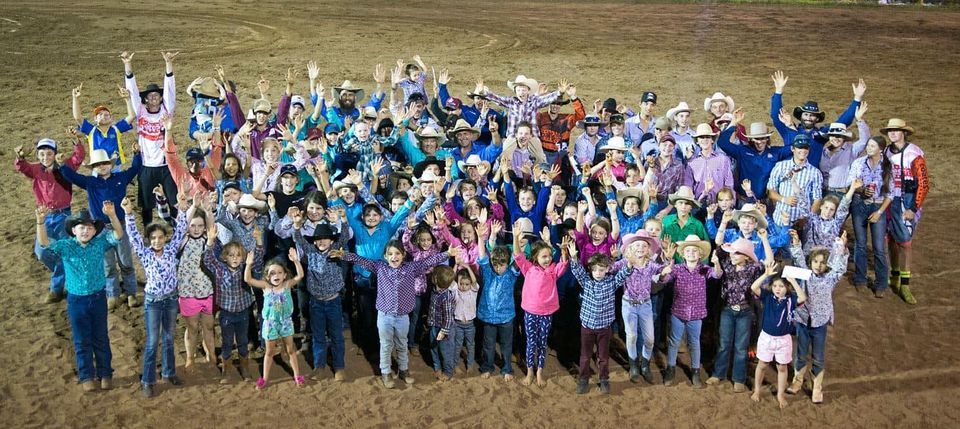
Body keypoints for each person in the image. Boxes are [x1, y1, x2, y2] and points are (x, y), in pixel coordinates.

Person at [334, 244, 457, 389]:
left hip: (402, 316)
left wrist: (447, 254)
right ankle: (385, 372)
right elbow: (362, 261)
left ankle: (403, 370)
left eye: (397, 253)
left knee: (402, 344)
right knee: (386, 345)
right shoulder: (380, 267)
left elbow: (428, 262)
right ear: (385, 256)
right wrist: (344, 255)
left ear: (403, 255)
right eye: (390, 254)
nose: (394, 257)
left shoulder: (411, 268)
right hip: (385, 316)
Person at [37, 202, 123, 392]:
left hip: (98, 297)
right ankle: (86, 376)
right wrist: (41, 222)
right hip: (76, 301)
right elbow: (44, 243)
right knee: (81, 340)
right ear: (74, 230)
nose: (85, 231)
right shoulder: (66, 246)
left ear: (94, 231)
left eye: (89, 228)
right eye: (81, 227)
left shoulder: (100, 243)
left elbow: (118, 235)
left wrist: (113, 216)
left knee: (101, 337)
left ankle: (105, 373)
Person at [120, 197, 190, 398]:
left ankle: (169, 373)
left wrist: (183, 209)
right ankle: (148, 381)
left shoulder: (171, 249)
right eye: (154, 238)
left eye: (160, 237)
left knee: (168, 338)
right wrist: (128, 214)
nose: (157, 241)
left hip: (170, 300)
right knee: (152, 341)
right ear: (149, 240)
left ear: (165, 238)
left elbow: (181, 229)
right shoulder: (144, 253)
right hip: (153, 302)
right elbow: (133, 235)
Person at [59, 148, 142, 309]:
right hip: (100, 229)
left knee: (125, 261)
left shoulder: (120, 177)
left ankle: (130, 293)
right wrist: (62, 165)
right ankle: (113, 293)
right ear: (94, 167)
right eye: (98, 164)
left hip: (120, 226)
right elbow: (71, 176)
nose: (102, 166)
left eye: (104, 163)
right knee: (108, 264)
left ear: (110, 165)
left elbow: (135, 169)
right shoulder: (90, 182)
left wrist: (137, 155)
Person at [15, 134, 85, 303]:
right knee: (41, 252)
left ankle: (57, 288)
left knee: (65, 251)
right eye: (42, 154)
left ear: (54, 154)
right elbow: (22, 167)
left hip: (63, 215)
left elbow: (78, 158)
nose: (45, 157)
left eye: (49, 153)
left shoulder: (64, 166)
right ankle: (66, 277)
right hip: (44, 216)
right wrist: (20, 156)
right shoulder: (35, 169)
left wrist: (77, 142)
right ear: (38, 156)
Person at [788, 229, 849, 404]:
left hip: (819, 323)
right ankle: (797, 381)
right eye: (815, 261)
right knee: (800, 354)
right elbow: (799, 258)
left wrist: (840, 247)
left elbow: (839, 266)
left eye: (822, 262)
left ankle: (817, 387)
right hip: (802, 319)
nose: (818, 265)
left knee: (818, 356)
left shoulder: (830, 277)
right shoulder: (804, 274)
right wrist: (796, 242)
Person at [121, 50, 181, 223]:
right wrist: (128, 67)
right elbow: (132, 91)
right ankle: (147, 232)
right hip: (146, 166)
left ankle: (178, 231)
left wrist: (169, 65)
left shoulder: (167, 110)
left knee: (173, 201)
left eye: (157, 95)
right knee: (146, 205)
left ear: (161, 99)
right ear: (145, 100)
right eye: (150, 96)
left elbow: (170, 90)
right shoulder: (140, 113)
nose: (154, 97)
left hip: (166, 165)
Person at [707, 234, 770, 393]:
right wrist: (718, 260)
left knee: (741, 347)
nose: (732, 255)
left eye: (737, 253)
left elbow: (769, 262)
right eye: (732, 252)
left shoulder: (754, 268)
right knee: (724, 343)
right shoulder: (727, 264)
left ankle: (739, 378)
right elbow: (719, 267)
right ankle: (718, 374)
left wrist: (764, 239)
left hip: (745, 311)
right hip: (727, 309)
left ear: (746, 257)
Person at [567, 245, 631, 395]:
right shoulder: (587, 282)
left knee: (603, 356)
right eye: (595, 269)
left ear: (607, 269)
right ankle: (583, 380)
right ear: (591, 269)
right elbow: (577, 271)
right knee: (585, 355)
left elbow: (622, 275)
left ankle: (604, 379)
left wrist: (629, 264)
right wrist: (574, 257)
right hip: (587, 326)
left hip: (604, 327)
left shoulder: (611, 282)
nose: (598, 273)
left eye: (601, 270)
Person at [769, 70, 865, 169]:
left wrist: (857, 98)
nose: (809, 118)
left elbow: (842, 122)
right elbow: (776, 116)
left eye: (812, 115)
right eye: (806, 114)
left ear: (817, 118)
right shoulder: (788, 129)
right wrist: (778, 91)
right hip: (790, 176)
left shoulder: (821, 135)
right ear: (800, 116)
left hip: (812, 178)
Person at [204, 224, 262, 384]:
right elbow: (207, 259)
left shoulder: (246, 268)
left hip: (243, 312)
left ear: (242, 257)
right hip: (227, 313)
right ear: (224, 257)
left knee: (243, 341)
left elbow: (257, 261)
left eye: (238, 255)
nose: (235, 258)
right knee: (227, 342)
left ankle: (245, 368)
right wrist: (210, 241)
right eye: (231, 255)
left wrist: (258, 242)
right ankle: (226, 370)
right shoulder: (219, 269)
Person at [513, 223, 569, 388]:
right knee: (530, 342)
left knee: (542, 342)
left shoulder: (553, 270)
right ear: (535, 257)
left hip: (546, 313)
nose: (548, 259)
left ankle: (539, 372)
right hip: (530, 312)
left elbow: (563, 264)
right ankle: (530, 371)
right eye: (544, 257)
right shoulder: (528, 269)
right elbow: (517, 255)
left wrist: (564, 250)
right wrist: (516, 238)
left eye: (549, 256)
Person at [293, 221, 349, 381]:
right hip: (316, 303)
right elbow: (298, 238)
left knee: (336, 336)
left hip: (333, 302)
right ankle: (319, 366)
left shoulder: (335, 252)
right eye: (318, 239)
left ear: (332, 241)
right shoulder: (310, 252)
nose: (321, 241)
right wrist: (297, 225)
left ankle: (339, 367)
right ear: (314, 241)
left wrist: (343, 220)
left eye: (325, 238)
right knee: (318, 336)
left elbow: (344, 237)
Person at [660, 235, 719, 388]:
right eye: (688, 250)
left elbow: (717, 274)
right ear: (683, 254)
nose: (691, 253)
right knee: (674, 341)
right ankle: (671, 369)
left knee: (694, 342)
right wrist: (667, 264)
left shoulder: (705, 269)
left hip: (696, 313)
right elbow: (664, 279)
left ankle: (695, 371)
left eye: (695, 251)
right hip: (679, 311)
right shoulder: (677, 269)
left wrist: (717, 263)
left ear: (700, 254)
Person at [882, 118, 929, 305]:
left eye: (896, 130)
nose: (892, 133)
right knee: (891, 239)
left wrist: (913, 208)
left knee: (905, 242)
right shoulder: (886, 151)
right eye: (890, 130)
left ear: (904, 133)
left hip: (906, 201)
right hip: (890, 199)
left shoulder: (914, 154)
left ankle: (905, 284)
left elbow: (924, 184)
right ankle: (894, 276)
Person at [245, 247, 305, 390]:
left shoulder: (287, 285)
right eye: (272, 273)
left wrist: (296, 261)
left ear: (285, 275)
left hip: (285, 322)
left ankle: (297, 376)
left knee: (290, 350)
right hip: (270, 324)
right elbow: (248, 279)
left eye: (279, 272)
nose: (276, 275)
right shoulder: (266, 287)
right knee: (269, 352)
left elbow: (300, 275)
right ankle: (264, 378)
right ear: (267, 276)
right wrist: (248, 265)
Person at [749, 261, 806, 409]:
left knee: (782, 367)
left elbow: (803, 298)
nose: (777, 289)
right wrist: (765, 275)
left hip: (783, 340)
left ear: (787, 287)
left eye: (781, 286)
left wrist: (792, 280)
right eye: (775, 286)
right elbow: (754, 287)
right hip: (766, 337)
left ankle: (780, 394)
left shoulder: (790, 300)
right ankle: (757, 390)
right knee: (762, 364)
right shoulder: (767, 296)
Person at [175, 198, 217, 371]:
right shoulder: (182, 241)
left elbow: (211, 228)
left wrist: (207, 211)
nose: (197, 229)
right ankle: (190, 358)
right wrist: (193, 206)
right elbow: (183, 224)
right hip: (188, 292)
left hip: (207, 291)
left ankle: (211, 355)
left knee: (208, 326)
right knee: (192, 327)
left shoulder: (207, 239)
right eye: (193, 226)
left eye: (200, 226)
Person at [847, 135, 893, 297]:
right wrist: (861, 190)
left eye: (873, 146)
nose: (869, 148)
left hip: (878, 206)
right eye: (868, 145)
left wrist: (879, 211)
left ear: (880, 149)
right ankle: (860, 279)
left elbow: (891, 194)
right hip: (859, 204)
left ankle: (881, 283)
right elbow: (850, 183)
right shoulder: (859, 163)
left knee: (879, 248)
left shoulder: (888, 166)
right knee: (860, 244)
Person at [476, 223, 520, 381]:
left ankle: (507, 368)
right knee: (488, 345)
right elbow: (482, 255)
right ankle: (487, 366)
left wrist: (515, 237)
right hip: (488, 316)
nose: (498, 268)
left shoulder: (511, 273)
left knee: (506, 345)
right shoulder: (488, 271)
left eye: (502, 265)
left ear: (507, 263)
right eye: (496, 265)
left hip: (506, 317)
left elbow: (518, 258)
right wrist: (481, 238)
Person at [718, 110, 794, 201]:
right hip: (744, 200)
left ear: (767, 138)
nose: (759, 142)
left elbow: (796, 145)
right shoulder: (742, 151)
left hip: (766, 201)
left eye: (762, 138)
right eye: (756, 139)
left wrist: (790, 125)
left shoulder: (776, 152)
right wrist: (733, 122)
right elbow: (722, 143)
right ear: (751, 139)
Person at [480, 75, 569, 138]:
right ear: (515, 91)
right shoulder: (511, 101)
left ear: (528, 91)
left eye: (523, 89)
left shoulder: (534, 101)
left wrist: (559, 92)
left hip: (531, 136)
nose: (521, 92)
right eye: (518, 90)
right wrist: (484, 93)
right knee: (505, 156)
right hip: (513, 136)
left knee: (540, 158)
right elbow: (497, 98)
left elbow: (547, 99)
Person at [767, 134, 823, 227]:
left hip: (802, 221)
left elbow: (817, 199)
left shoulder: (815, 172)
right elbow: (770, 191)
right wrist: (784, 199)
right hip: (780, 219)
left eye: (806, 148)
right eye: (799, 147)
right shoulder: (780, 166)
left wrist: (807, 217)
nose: (803, 151)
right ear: (793, 149)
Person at [72, 83, 134, 167]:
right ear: (95, 119)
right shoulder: (91, 131)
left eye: (106, 115)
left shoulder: (116, 129)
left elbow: (132, 116)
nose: (103, 117)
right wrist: (75, 98)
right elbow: (78, 117)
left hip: (115, 167)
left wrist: (128, 99)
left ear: (111, 118)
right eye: (100, 115)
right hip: (97, 166)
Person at [819, 103, 870, 199]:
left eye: (839, 136)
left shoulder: (851, 149)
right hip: (824, 193)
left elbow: (865, 140)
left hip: (841, 194)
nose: (836, 138)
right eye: (833, 135)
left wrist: (859, 119)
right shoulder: (824, 152)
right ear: (829, 137)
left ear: (844, 138)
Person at [536, 85, 584, 164]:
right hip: (542, 153)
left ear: (561, 105)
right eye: (553, 103)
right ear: (549, 103)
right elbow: (529, 110)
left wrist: (573, 96)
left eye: (558, 104)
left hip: (560, 155)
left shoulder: (567, 119)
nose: (555, 106)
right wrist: (539, 96)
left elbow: (581, 116)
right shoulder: (540, 117)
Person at [427, 265, 457, 381]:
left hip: (445, 329)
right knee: (434, 348)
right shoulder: (434, 291)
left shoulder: (446, 297)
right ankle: (437, 367)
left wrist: (443, 332)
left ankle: (448, 372)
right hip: (434, 325)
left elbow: (449, 318)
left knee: (446, 352)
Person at [452, 267, 479, 375]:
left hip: (470, 325)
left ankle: (470, 364)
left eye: (466, 284)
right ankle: (455, 365)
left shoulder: (473, 291)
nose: (463, 286)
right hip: (458, 324)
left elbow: (475, 281)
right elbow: (450, 280)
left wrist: (468, 267)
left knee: (470, 345)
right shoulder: (455, 291)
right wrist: (456, 266)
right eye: (461, 283)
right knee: (457, 345)